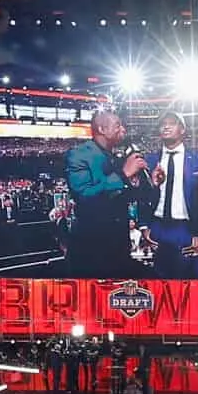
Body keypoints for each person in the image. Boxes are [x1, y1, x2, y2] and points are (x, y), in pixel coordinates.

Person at [62, 101, 141, 276]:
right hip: (92, 249)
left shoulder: (116, 156)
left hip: (118, 248)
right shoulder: (79, 155)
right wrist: (123, 175)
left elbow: (121, 198)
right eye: (117, 125)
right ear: (102, 129)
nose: (123, 130)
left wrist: (142, 184)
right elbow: (84, 195)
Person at [141, 114, 198, 278]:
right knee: (159, 283)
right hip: (158, 226)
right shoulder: (150, 160)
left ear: (182, 129)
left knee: (190, 282)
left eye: (171, 124)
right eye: (163, 124)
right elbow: (142, 196)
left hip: (187, 228)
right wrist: (144, 226)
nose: (166, 127)